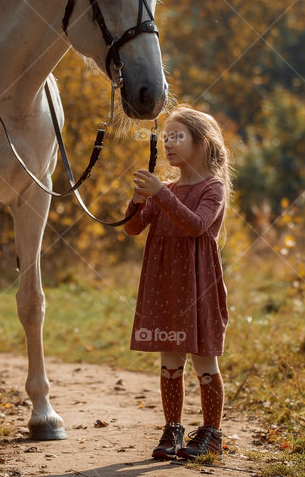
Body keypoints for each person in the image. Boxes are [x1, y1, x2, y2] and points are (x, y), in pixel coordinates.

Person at [122, 104, 233, 461]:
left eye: (177, 136)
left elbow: (196, 225)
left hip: (198, 287)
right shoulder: (164, 190)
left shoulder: (212, 188)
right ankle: (173, 429)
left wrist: (161, 193)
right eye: (166, 137)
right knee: (170, 360)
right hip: (164, 285)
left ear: (201, 143)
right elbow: (133, 228)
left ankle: (211, 433)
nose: (168, 144)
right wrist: (137, 203)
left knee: (204, 360)